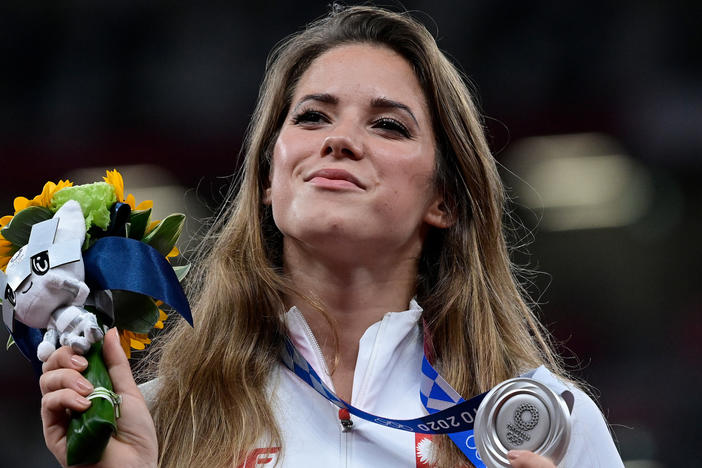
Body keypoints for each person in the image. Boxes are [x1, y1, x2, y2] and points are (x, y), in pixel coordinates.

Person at [38, 5, 623, 468]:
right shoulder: (161, 416)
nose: (339, 140)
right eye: (313, 117)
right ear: (268, 179)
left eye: (388, 125)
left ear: (443, 199)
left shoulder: (540, 421)